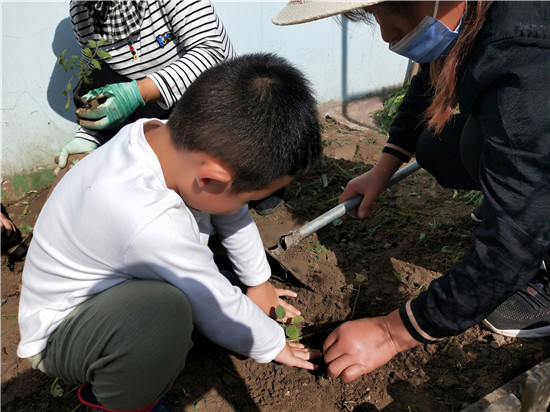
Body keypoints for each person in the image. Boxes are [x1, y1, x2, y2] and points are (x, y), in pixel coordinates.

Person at [18, 53, 322, 411]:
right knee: (169, 311)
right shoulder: (146, 219)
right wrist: (273, 342)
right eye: (251, 198)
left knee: (198, 287)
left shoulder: (162, 136)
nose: (248, 205)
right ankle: (124, 402)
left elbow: (230, 211)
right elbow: (212, 301)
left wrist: (258, 282)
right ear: (209, 179)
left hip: (113, 289)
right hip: (62, 331)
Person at [273, 1, 550, 382]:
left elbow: (513, 244)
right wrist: (383, 168)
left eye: (395, 7)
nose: (386, 33)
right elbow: (430, 79)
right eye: (375, 15)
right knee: (442, 146)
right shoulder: (478, 19)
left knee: (525, 213)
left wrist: (391, 332)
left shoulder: (526, 63)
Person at [59, 0, 284, 214]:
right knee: (183, 176)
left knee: (239, 164)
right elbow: (103, 79)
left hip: (214, 92)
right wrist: (89, 134)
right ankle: (194, 196)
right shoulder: (83, 10)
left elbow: (211, 53)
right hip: (157, 102)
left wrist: (140, 91)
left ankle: (255, 177)